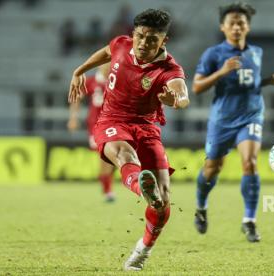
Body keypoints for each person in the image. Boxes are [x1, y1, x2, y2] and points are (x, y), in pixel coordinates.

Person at [67, 9, 189, 270]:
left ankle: (142, 250)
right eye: (140, 36)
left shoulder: (169, 69)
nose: (144, 43)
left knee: (164, 201)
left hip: (146, 128)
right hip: (111, 121)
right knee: (123, 155)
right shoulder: (121, 43)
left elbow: (182, 93)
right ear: (133, 34)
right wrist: (80, 69)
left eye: (152, 39)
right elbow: (106, 52)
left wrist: (176, 101)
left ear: (163, 41)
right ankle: (140, 185)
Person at [192, 2, 274, 243]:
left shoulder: (256, 52)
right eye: (232, 23)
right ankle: (201, 207)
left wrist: (268, 81)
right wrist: (221, 72)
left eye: (241, 23)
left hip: (252, 115)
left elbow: (250, 82)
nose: (237, 27)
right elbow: (196, 87)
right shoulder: (213, 54)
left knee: (250, 162)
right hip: (222, 119)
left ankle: (249, 221)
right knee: (212, 169)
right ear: (223, 27)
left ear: (248, 27)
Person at [67, 63, 116, 202]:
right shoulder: (91, 81)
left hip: (114, 124)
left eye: (110, 65)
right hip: (96, 126)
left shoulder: (116, 81)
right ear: (100, 67)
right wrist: (73, 118)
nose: (108, 68)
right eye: (105, 65)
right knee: (105, 157)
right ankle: (108, 190)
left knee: (111, 159)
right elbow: (76, 98)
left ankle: (106, 185)